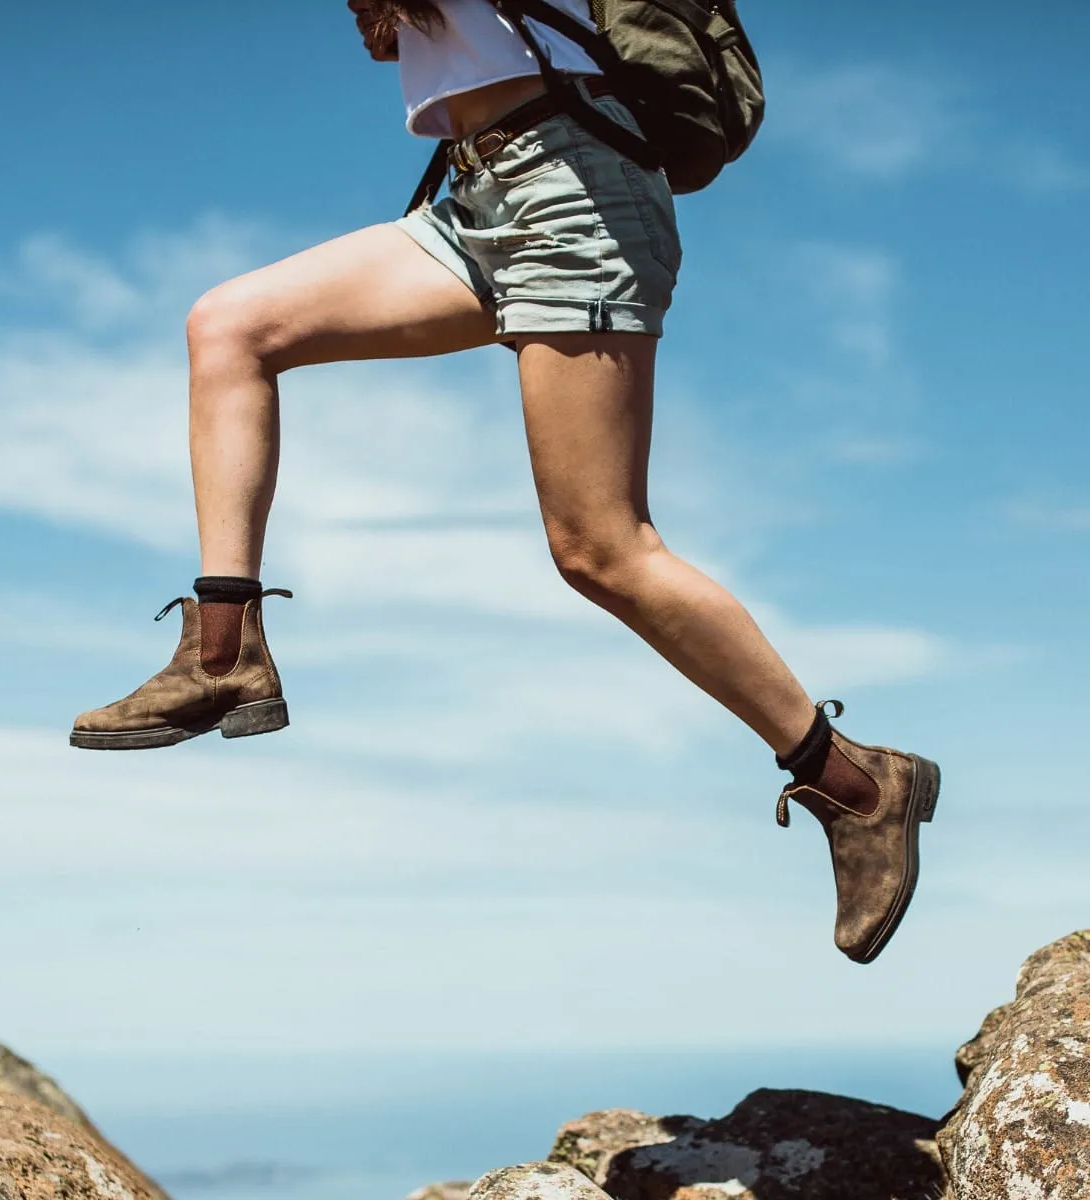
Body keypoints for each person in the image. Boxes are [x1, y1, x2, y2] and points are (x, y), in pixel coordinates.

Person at [70, 0, 940, 964]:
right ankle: (224, 652)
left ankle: (857, 785)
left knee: (602, 551)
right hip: (477, 197)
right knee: (230, 326)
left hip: (578, 191)